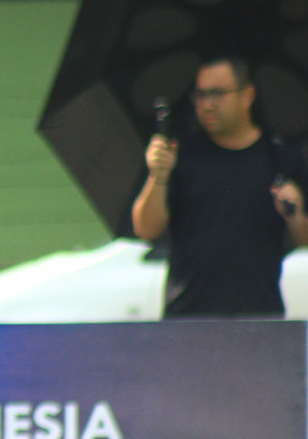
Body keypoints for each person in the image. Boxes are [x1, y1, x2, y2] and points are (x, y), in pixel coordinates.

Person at [132, 54, 308, 318]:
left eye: (217, 94)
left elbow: (304, 242)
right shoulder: (182, 155)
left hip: (259, 316)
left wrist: (295, 214)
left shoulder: (281, 158)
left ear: (247, 95)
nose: (207, 105)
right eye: (200, 95)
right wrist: (158, 177)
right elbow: (146, 229)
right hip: (187, 316)